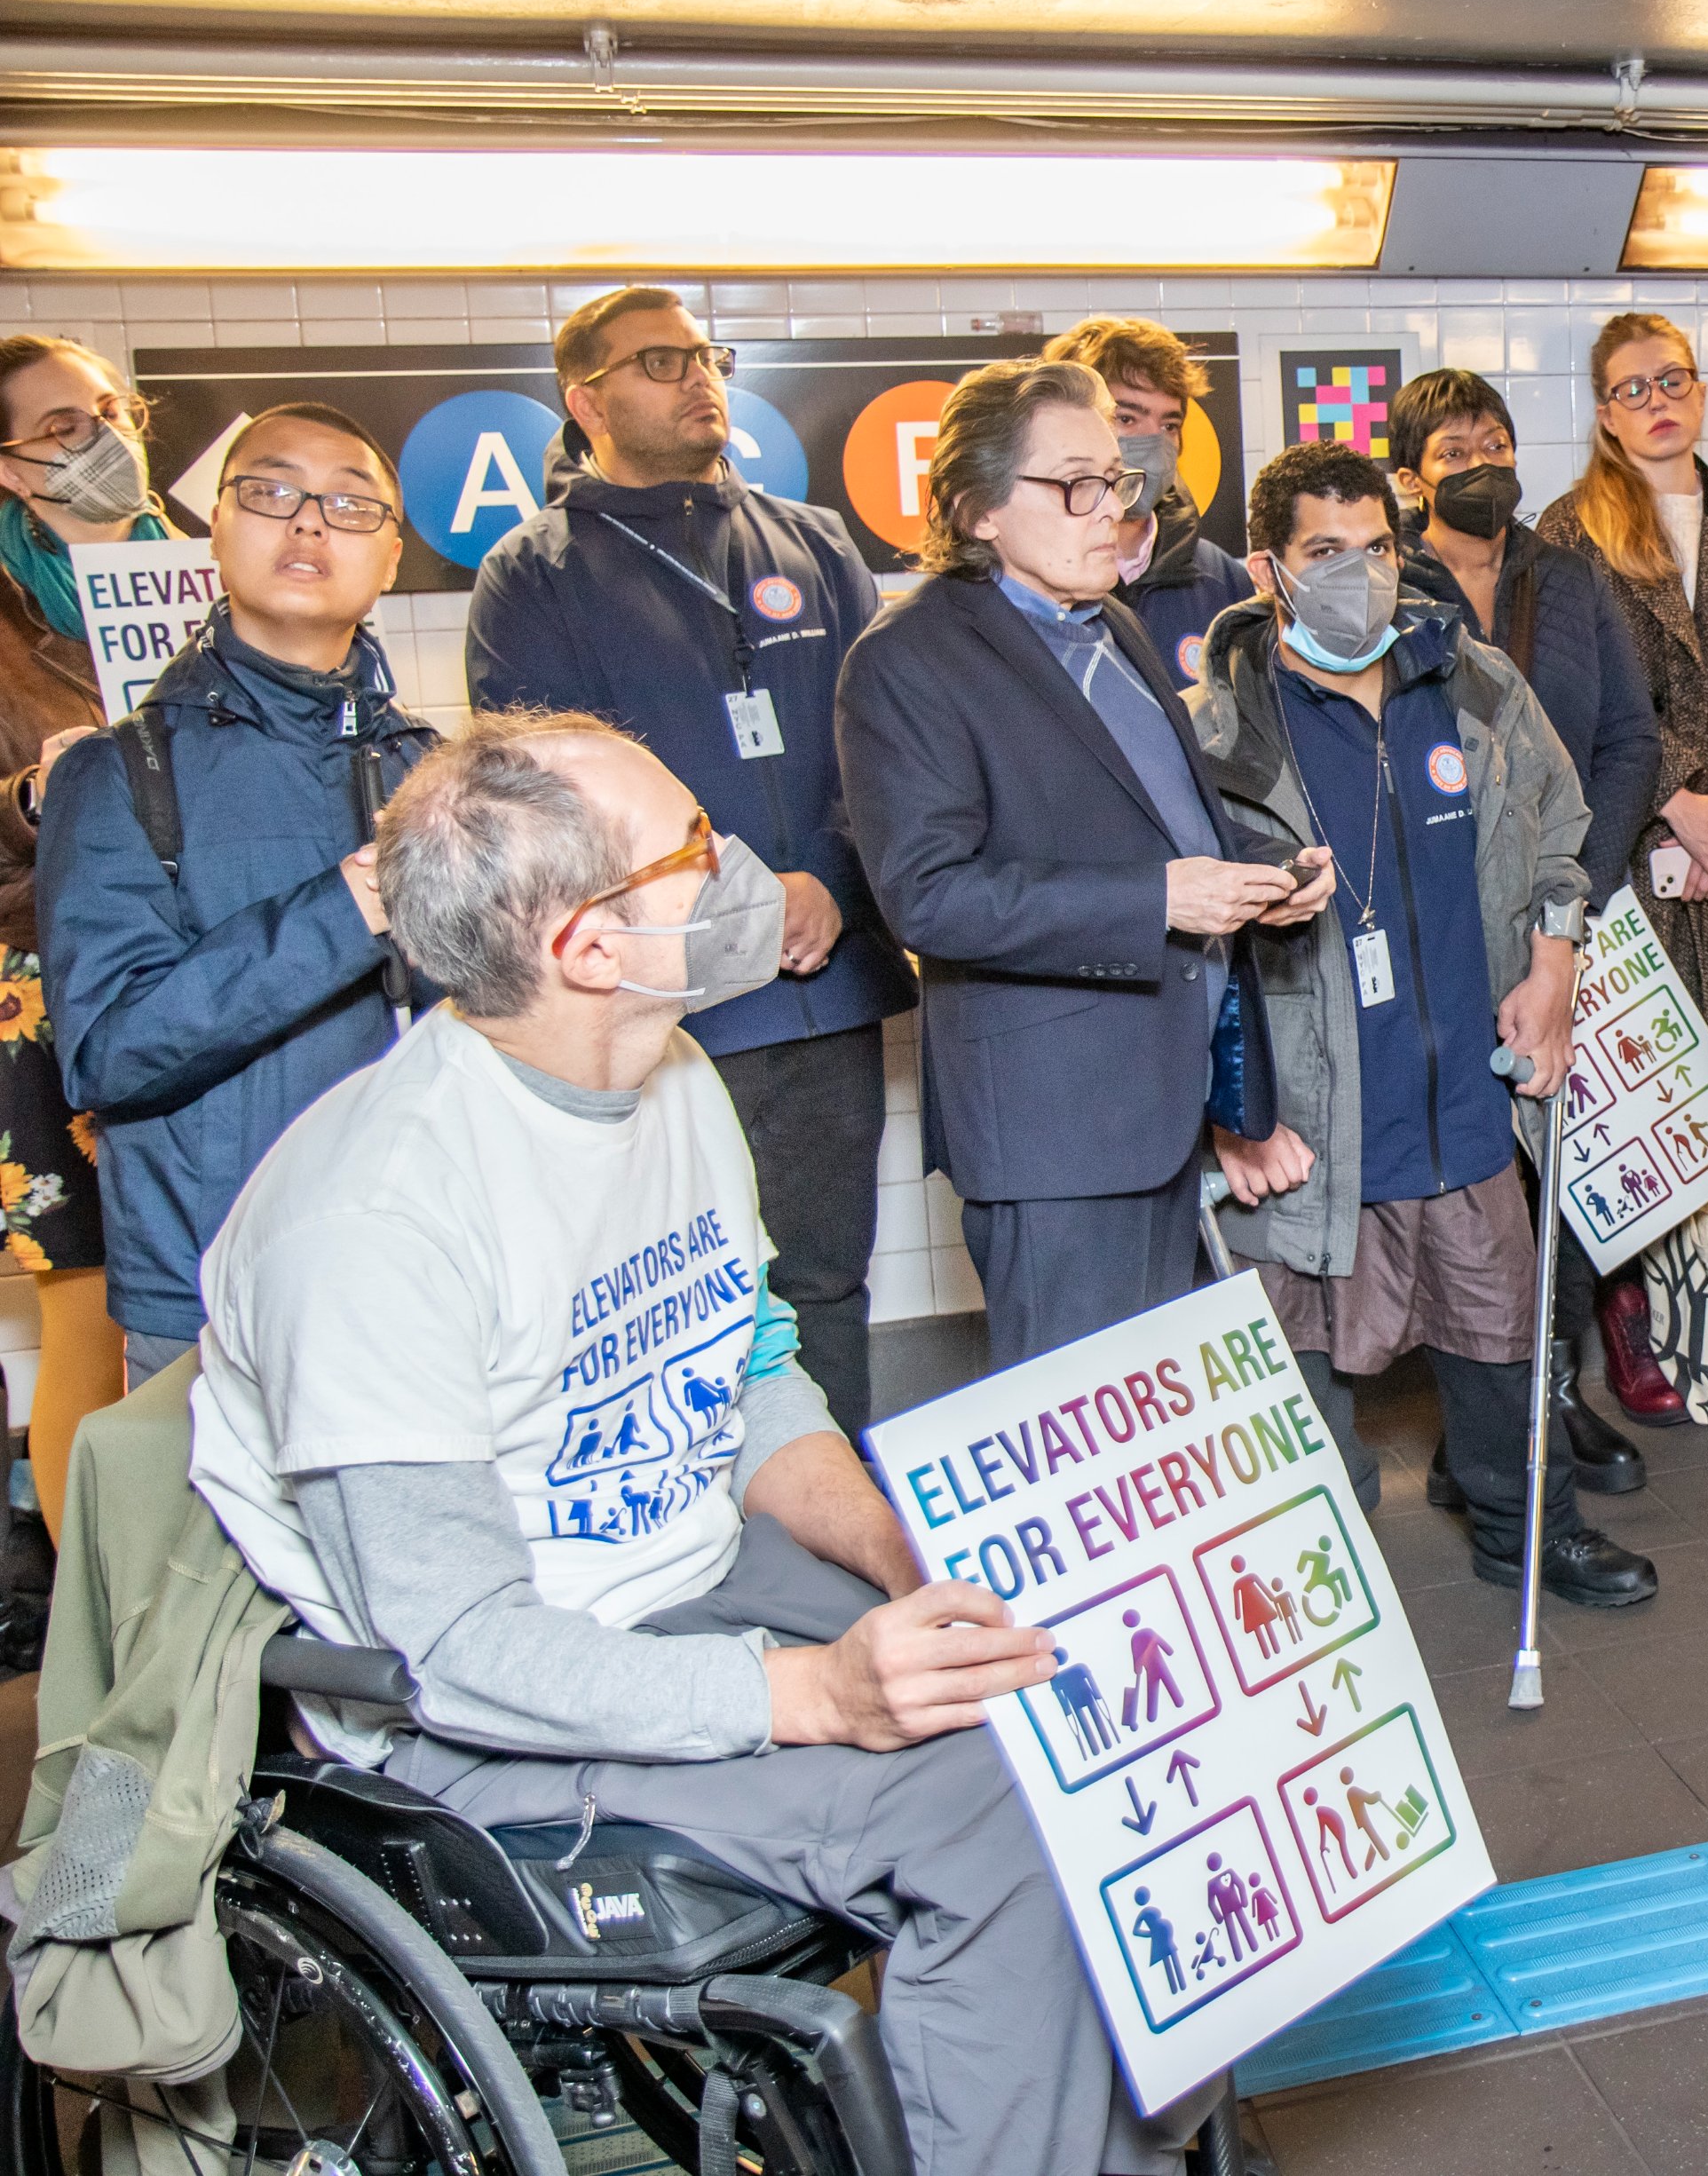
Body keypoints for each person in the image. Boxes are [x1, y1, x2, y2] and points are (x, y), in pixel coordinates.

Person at [182, 708, 1197, 2176]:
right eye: (691, 846)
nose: (734, 864)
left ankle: (1127, 2136)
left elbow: (746, 1379)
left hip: (694, 1577)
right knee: (997, 1810)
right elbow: (457, 1644)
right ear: (590, 944)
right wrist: (818, 1693)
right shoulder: (374, 1216)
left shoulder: (666, 1081)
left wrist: (898, 1540)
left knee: (1080, 1653)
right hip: (494, 1716)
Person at [1186, 438, 1657, 1610]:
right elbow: (1183, 936)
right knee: (1293, 1334)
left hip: (1459, 1077)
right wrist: (1223, 1113)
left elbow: (1561, 817)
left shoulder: (1475, 680)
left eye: (1377, 547)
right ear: (1268, 568)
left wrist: (1554, 963)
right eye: (1325, 552)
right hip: (1312, 1099)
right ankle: (1310, 1562)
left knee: (1497, 1312)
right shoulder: (1216, 729)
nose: (1360, 572)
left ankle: (1523, 1525)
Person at [470, 289, 914, 1434]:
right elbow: (550, 789)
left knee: (825, 1283)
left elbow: (888, 741)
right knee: (682, 1296)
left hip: (824, 991)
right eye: (657, 361)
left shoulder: (813, 540)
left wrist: (830, 878)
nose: (696, 376)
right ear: (586, 400)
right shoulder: (535, 573)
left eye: (703, 354)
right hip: (665, 1011)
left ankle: (845, 1528)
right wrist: (741, 901)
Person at [834, 360, 1324, 1367]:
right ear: (976, 508)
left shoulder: (1113, 626)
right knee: (1078, 1438)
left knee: (1156, 1428)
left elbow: (1157, 825)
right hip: (1054, 1130)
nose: (1113, 511)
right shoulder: (907, 659)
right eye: (1075, 486)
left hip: (1163, 1098)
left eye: (1121, 479)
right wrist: (1162, 898)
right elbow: (929, 898)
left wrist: (1258, 874)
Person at [40, 404, 437, 1445]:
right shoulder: (120, 772)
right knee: (214, 1608)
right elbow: (109, 1053)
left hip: (426, 1265)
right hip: (215, 1292)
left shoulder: (435, 772)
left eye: (351, 504)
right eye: (271, 492)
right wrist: (348, 904)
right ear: (214, 529)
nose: (310, 524)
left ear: (390, 556)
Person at [1535, 313, 1708, 1425]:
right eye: (1630, 388)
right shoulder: (1568, 531)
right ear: (1602, 413)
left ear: (1699, 395)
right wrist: (1670, 811)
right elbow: (1562, 711)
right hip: (1633, 847)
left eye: (1674, 380)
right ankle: (1637, 1317)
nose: (1657, 401)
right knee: (1648, 1098)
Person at [1389, 364, 1662, 1492]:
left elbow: (1631, 743)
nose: (1481, 463)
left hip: (1569, 926)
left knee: (1571, 1181)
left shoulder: (1571, 577)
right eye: (1453, 450)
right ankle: (1484, 1430)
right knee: (1474, 1189)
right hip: (1442, 936)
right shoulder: (1387, 590)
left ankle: (1559, 1392)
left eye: (1494, 440)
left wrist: (1578, 901)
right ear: (1409, 478)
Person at [0, 336, 172, 1505]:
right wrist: (26, 796)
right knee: (89, 1310)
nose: (100, 437)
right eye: (63, 427)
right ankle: (100, 1638)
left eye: (109, 411)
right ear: (10, 464)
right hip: (42, 979)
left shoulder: (205, 576)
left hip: (200, 962)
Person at [1040, 316, 1253, 691]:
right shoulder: (1032, 573)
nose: (1154, 441)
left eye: (1169, 425)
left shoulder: (1221, 579)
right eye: (1126, 418)